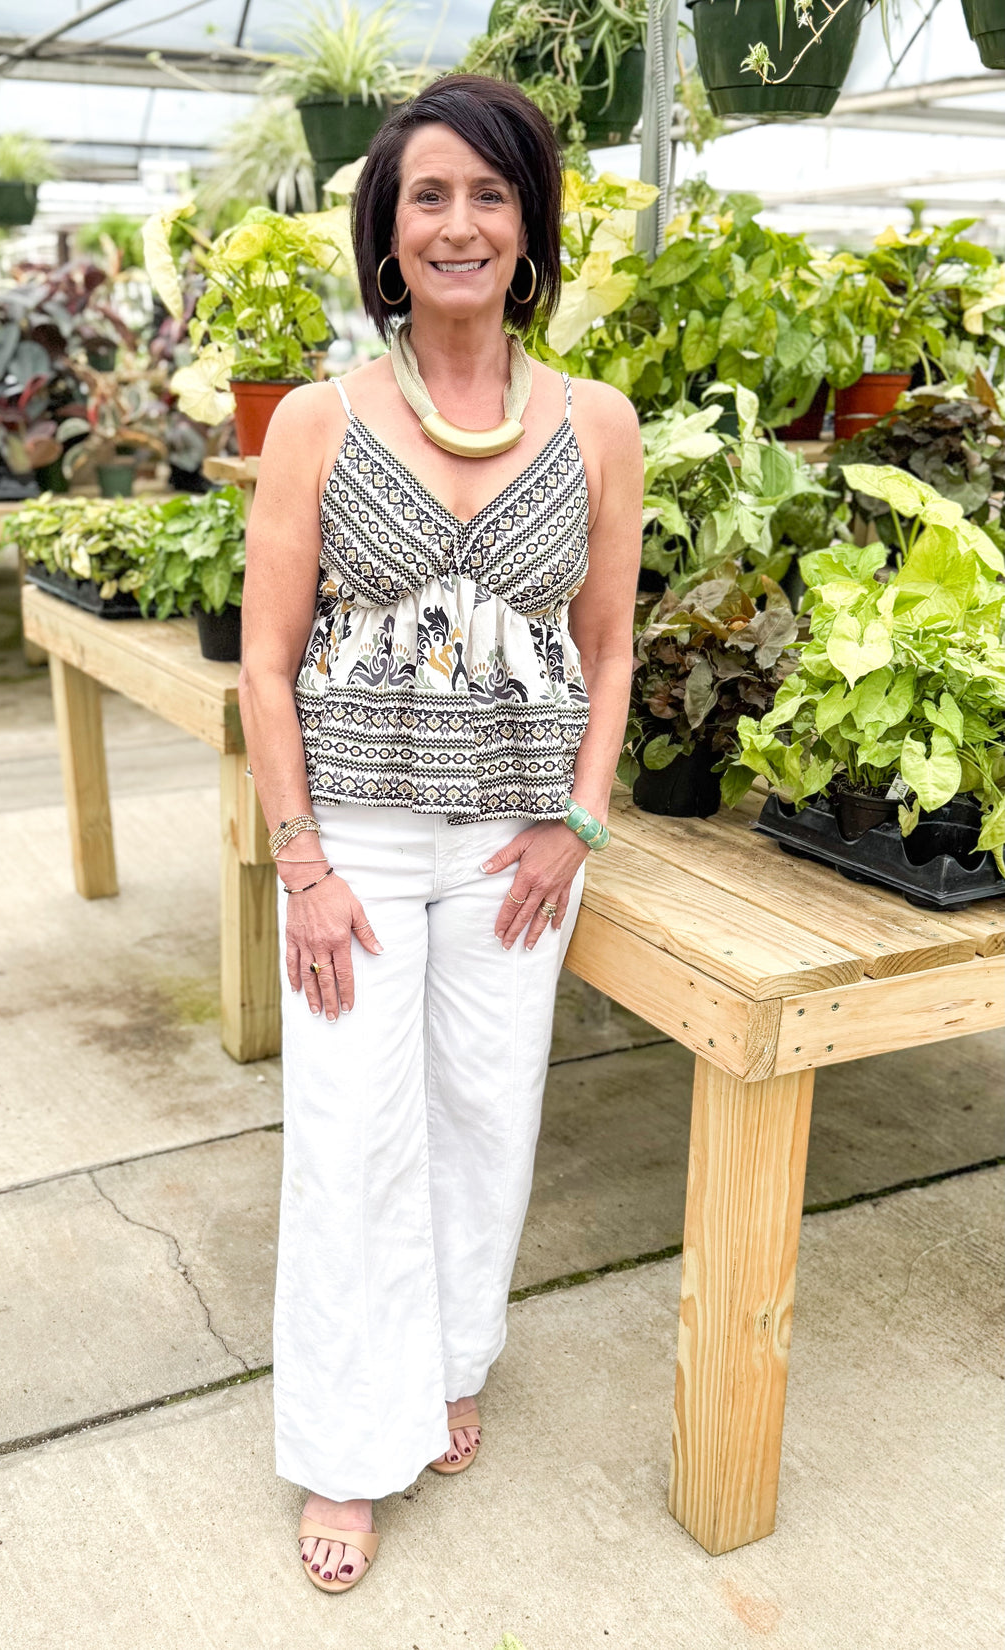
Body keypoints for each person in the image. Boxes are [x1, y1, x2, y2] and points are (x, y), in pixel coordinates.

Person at [239, 72, 643, 1595]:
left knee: (485, 1112)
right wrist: (301, 861)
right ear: (388, 231)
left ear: (528, 223)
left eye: (490, 192)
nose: (460, 222)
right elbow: (264, 658)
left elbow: (609, 644)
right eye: (429, 196)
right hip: (354, 841)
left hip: (513, 849)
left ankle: (451, 1359)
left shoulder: (597, 423)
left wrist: (578, 821)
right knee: (351, 1137)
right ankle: (349, 1449)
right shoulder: (320, 420)